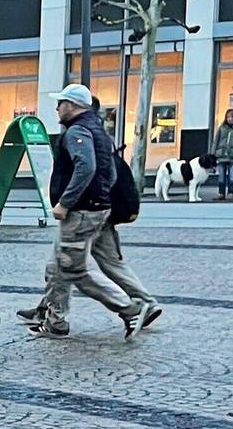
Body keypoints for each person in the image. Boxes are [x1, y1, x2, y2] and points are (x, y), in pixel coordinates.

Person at [18, 85, 148, 339]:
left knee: (74, 270)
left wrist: (66, 202)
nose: (57, 108)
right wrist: (101, 197)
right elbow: (111, 171)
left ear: (74, 105)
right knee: (56, 265)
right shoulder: (97, 129)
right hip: (93, 208)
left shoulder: (78, 130)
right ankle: (54, 319)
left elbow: (86, 167)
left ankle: (130, 308)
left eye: (61, 102)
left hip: (81, 212)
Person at [92, 144, 160, 332]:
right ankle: (147, 303)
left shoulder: (81, 135)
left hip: (88, 215)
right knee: (111, 264)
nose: (58, 111)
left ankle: (133, 308)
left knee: (69, 267)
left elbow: (84, 175)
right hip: (101, 215)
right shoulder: (100, 139)